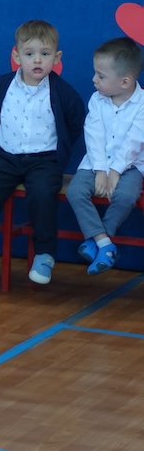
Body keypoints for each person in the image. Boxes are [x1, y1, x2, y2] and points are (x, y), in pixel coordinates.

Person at [0, 20, 85, 285]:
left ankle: (44, 254)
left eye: (45, 54)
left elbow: (75, 122)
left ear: (57, 58)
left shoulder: (63, 93)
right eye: (30, 53)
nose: (37, 60)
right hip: (7, 158)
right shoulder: (3, 85)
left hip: (44, 161)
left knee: (42, 195)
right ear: (16, 56)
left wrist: (59, 154)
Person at [66, 36, 144, 275]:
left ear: (125, 82)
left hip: (130, 166)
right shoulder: (97, 100)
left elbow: (134, 141)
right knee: (75, 191)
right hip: (95, 163)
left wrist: (115, 171)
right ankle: (104, 243)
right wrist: (101, 170)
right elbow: (94, 136)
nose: (94, 79)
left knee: (126, 196)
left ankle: (98, 239)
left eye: (101, 76)